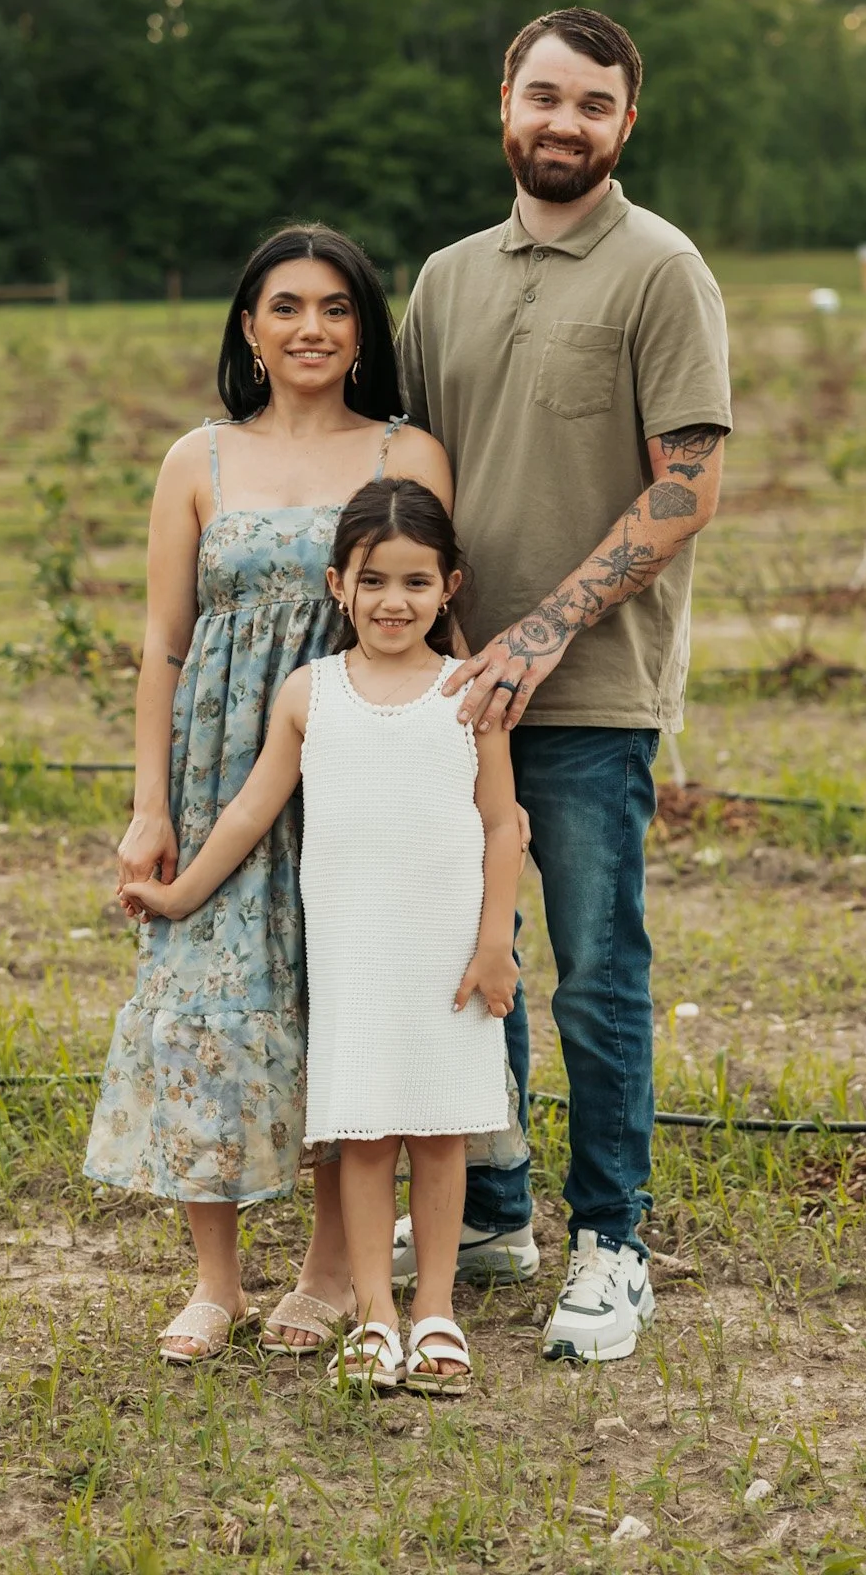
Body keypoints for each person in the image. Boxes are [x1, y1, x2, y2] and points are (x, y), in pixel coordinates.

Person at [396, 5, 731, 1362]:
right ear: (503, 102)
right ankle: (490, 1208)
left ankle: (611, 1242)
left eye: (593, 106)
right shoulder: (445, 277)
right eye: (544, 96)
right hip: (449, 691)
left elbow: (689, 486)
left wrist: (542, 631)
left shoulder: (661, 269)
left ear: (624, 126)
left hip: (589, 694)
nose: (563, 123)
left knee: (594, 968)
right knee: (476, 961)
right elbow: (408, 472)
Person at [84, 224, 453, 1363]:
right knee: (208, 1007)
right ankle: (214, 1279)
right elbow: (163, 647)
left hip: (356, 763)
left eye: (337, 308)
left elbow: (435, 613)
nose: (311, 328)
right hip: (219, 768)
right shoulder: (199, 459)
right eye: (286, 306)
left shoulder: (409, 451)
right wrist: (152, 804)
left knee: (344, 1002)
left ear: (363, 330)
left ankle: (334, 1271)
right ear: (249, 325)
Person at [123, 478, 521, 1392]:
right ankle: (375, 1312)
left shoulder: (469, 693)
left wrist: (494, 942)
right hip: (352, 953)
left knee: (441, 1133)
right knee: (365, 1136)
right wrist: (180, 895)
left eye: (416, 583)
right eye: (373, 581)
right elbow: (251, 810)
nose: (394, 602)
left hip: (445, 951)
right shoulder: (313, 693)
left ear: (449, 587)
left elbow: (502, 823)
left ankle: (436, 1311)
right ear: (338, 585)